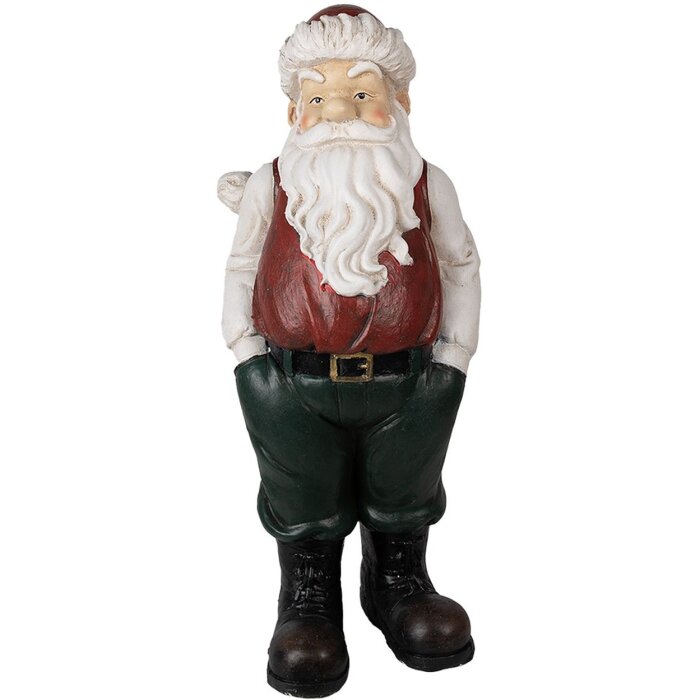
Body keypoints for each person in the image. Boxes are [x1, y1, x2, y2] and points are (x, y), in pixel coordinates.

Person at [218, 5, 481, 697]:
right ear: (294, 113)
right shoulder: (273, 184)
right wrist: (246, 353)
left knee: (405, 489)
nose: (338, 110)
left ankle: (398, 580)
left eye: (361, 93)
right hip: (289, 381)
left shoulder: (428, 183)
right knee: (301, 493)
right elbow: (242, 265)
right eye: (319, 97)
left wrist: (454, 358)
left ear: (401, 103)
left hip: (410, 380)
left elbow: (460, 263)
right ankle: (307, 596)